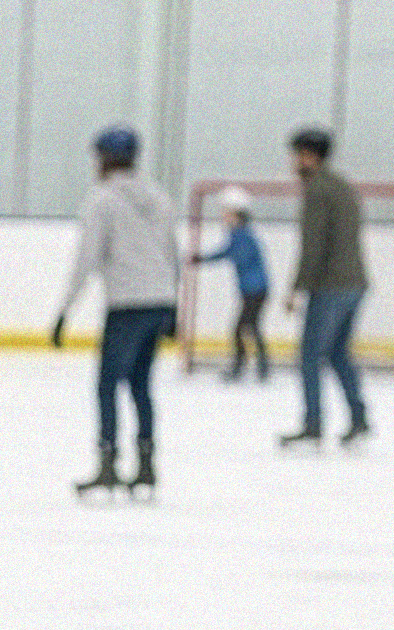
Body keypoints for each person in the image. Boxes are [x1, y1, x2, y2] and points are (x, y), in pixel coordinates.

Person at [51, 123, 176, 499]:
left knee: (107, 385)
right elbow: (171, 254)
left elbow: (87, 258)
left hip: (126, 305)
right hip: (159, 302)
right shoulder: (159, 198)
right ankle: (146, 464)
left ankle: (108, 462)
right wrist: (173, 308)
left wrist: (65, 310)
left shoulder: (101, 200)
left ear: (105, 159)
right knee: (141, 385)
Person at [279, 126, 373, 448]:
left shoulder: (317, 190)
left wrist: (296, 288)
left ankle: (313, 423)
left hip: (331, 284)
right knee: (337, 352)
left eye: (297, 155)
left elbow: (313, 245)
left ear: (309, 156)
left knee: (310, 355)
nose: (293, 162)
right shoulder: (342, 186)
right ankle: (358, 417)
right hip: (355, 282)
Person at [199, 186, 273, 383]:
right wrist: (203, 259)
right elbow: (228, 252)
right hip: (253, 289)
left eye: (227, 213)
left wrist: (206, 259)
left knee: (241, 328)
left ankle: (242, 366)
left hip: (255, 290)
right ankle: (261, 366)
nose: (224, 217)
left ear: (236, 215)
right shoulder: (239, 233)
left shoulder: (242, 234)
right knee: (251, 327)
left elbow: (237, 254)